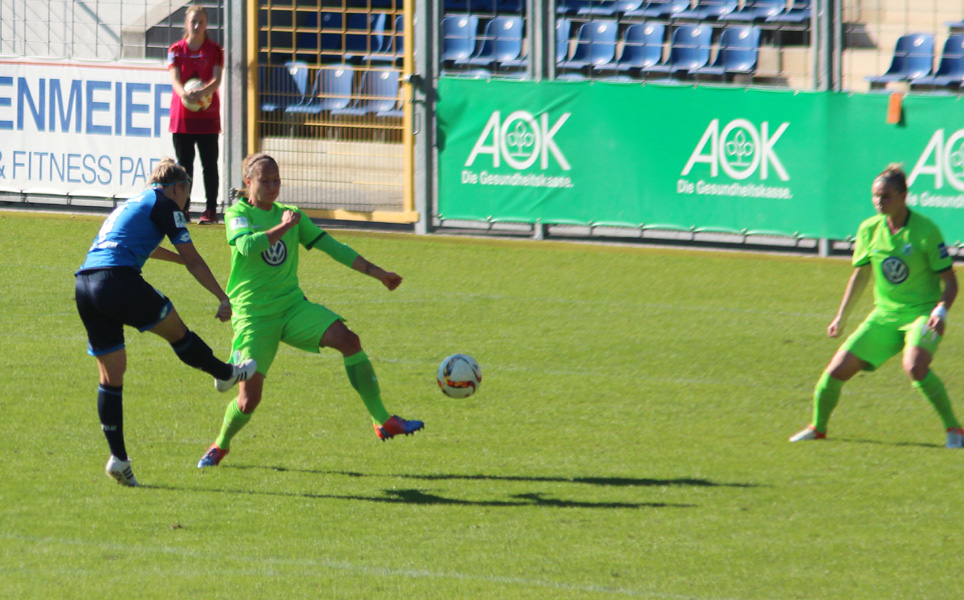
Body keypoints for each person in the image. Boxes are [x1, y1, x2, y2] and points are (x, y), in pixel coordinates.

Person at [196, 153, 423, 468]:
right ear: (248, 182)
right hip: (253, 315)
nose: (274, 186)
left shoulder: (291, 215)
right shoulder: (238, 213)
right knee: (248, 402)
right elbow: (247, 246)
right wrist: (282, 227)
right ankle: (220, 445)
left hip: (292, 307)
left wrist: (378, 273)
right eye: (266, 180)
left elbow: (334, 248)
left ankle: (382, 420)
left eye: (277, 180)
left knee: (348, 340)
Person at [75, 158, 257, 487]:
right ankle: (226, 373)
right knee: (178, 333)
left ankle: (118, 458)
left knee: (111, 376)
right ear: (178, 188)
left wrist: (176, 261)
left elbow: (146, 247)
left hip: (86, 285)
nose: (185, 205)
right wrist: (222, 296)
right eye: (186, 196)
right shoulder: (165, 203)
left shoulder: (136, 201)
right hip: (118, 280)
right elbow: (193, 259)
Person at [790, 164, 963, 448]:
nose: (879, 202)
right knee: (835, 371)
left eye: (886, 196)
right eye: (875, 196)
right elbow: (860, 274)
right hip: (885, 315)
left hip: (922, 315)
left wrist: (940, 310)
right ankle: (817, 428)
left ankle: (955, 430)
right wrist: (841, 316)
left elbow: (951, 282)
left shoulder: (926, 231)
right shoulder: (869, 229)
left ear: (904, 196)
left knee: (915, 367)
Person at [167, 5, 223, 224]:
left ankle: (210, 210)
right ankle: (184, 209)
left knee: (209, 165)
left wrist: (203, 93)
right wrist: (186, 95)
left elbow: (217, 79)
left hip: (208, 118)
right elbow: (175, 80)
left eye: (201, 21)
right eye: (193, 22)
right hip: (182, 119)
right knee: (184, 166)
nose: (197, 26)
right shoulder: (176, 49)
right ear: (186, 24)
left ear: (206, 24)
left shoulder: (215, 50)